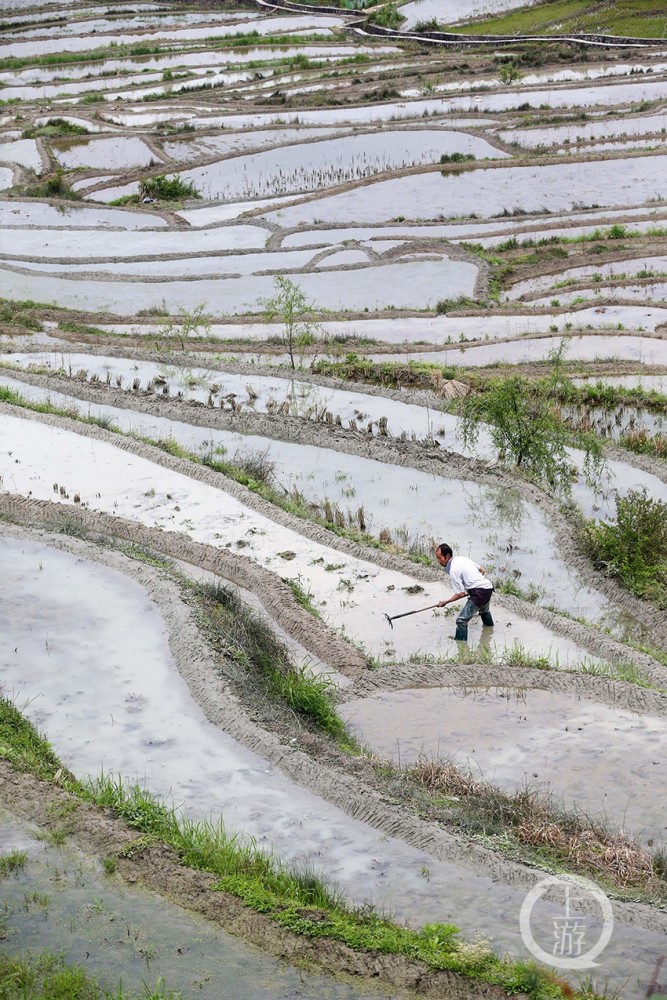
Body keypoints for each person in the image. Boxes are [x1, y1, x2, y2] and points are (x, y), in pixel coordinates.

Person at [434, 543, 494, 642]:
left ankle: (461, 649)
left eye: (440, 558)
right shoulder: (461, 559)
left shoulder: (453, 570)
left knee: (461, 621)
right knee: (484, 611)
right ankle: (490, 633)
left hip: (479, 593)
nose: (438, 561)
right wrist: (473, 583)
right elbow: (482, 570)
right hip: (488, 588)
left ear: (447, 556)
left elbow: (460, 593)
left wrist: (445, 602)